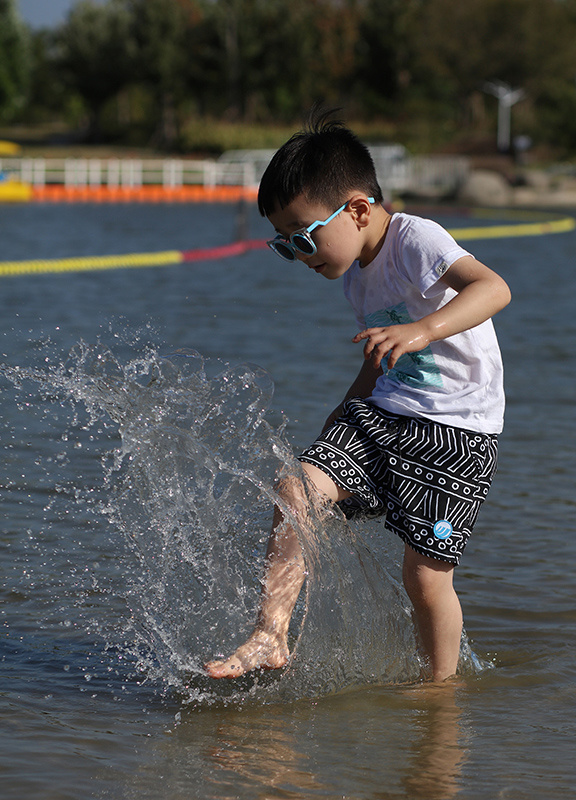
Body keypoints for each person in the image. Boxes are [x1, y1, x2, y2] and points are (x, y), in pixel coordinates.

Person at [205, 113, 510, 682]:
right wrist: (344, 412)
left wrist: (422, 331)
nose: (298, 254)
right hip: (382, 414)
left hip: (456, 433)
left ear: (358, 209)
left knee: (424, 577)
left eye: (303, 237)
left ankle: (439, 691)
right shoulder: (354, 275)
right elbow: (381, 357)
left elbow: (494, 288)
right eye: (283, 244)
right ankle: (270, 635)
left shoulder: (415, 239)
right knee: (295, 486)